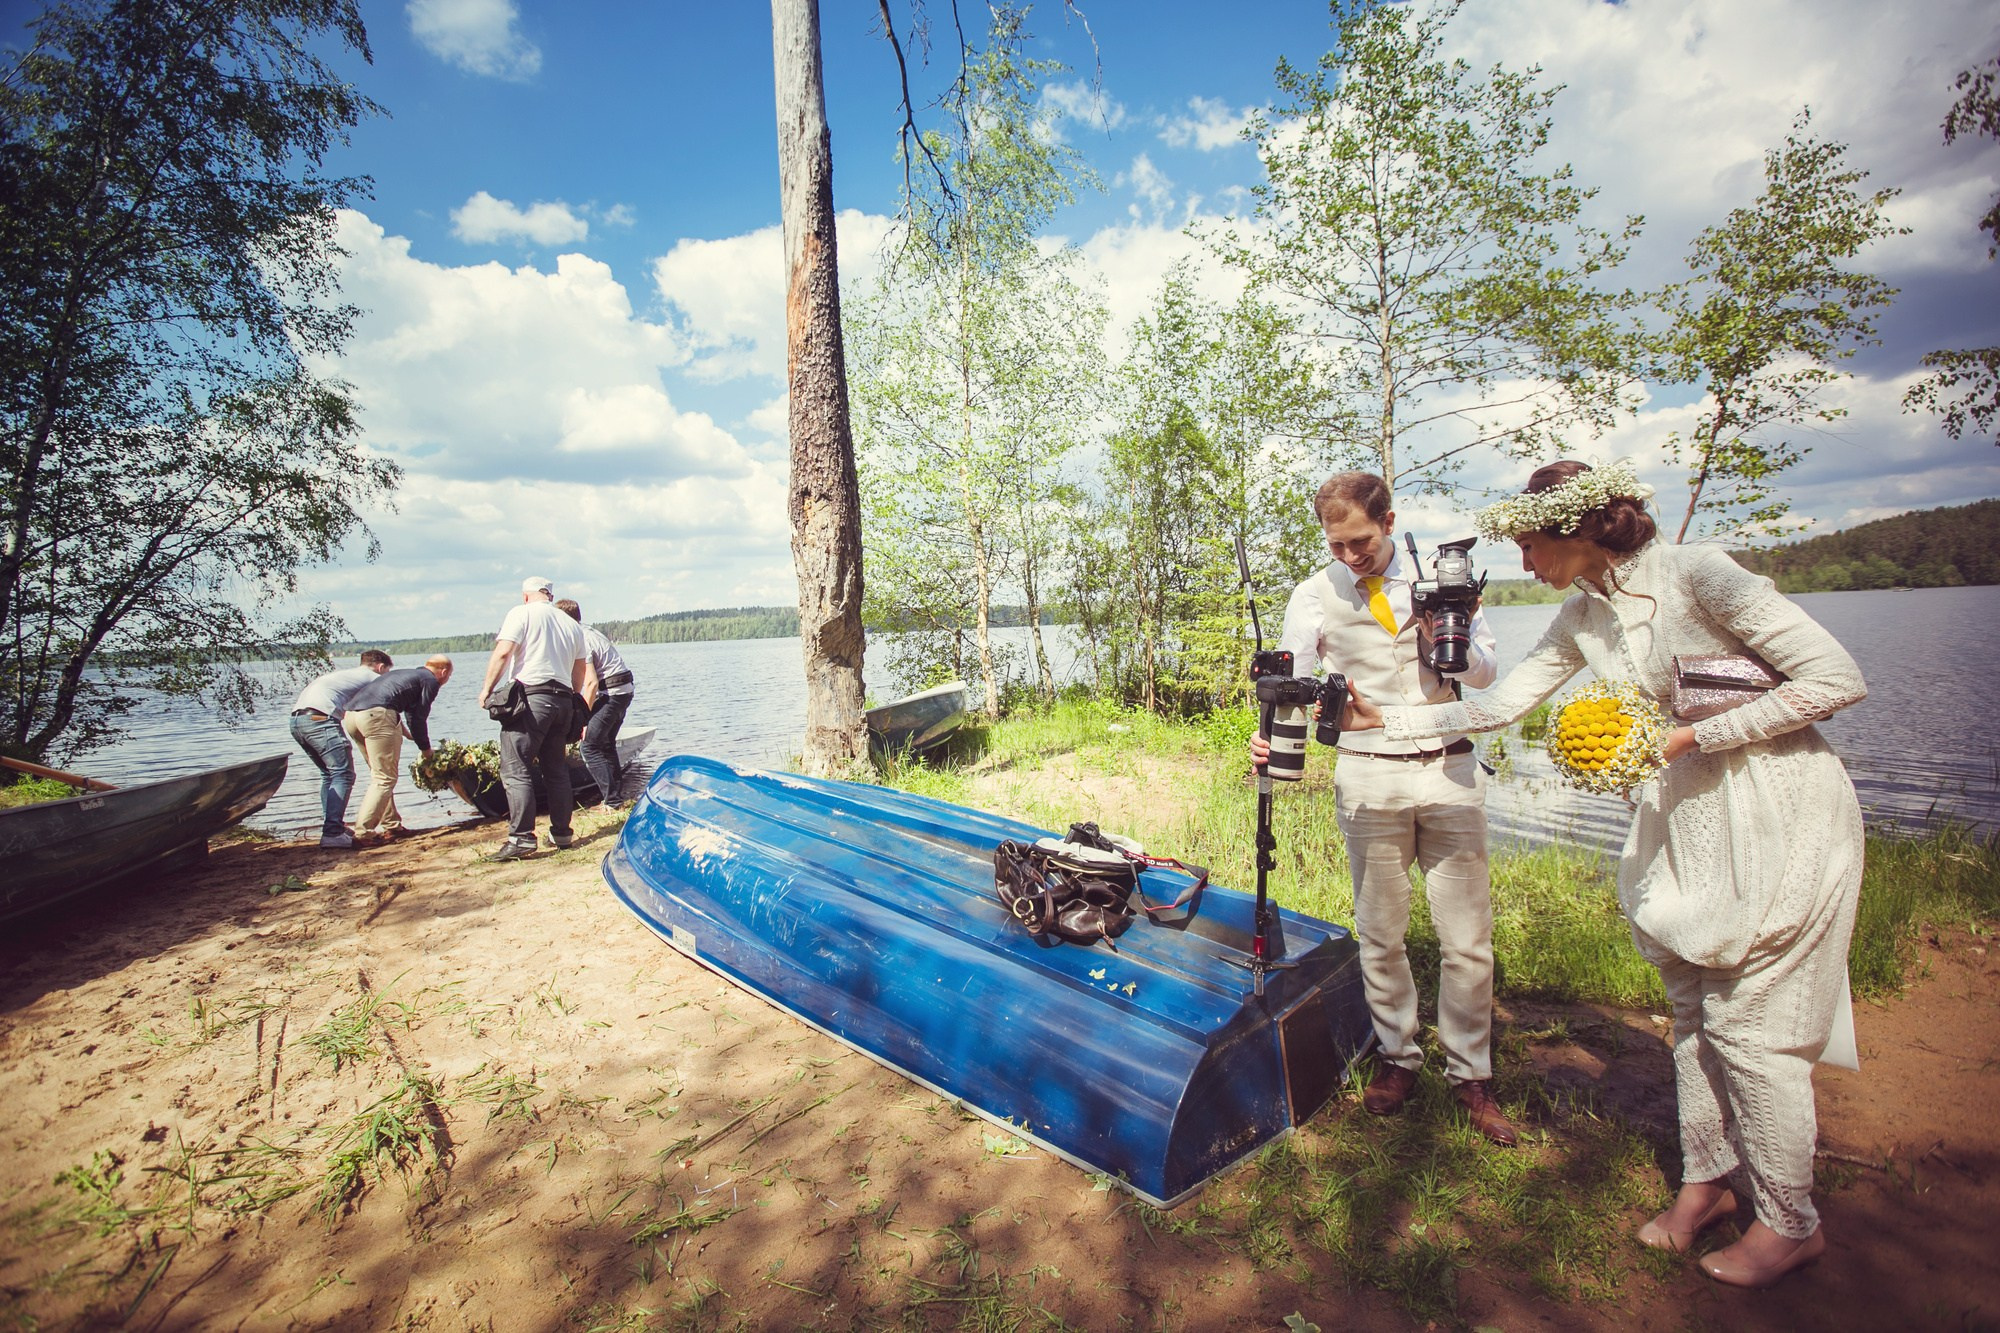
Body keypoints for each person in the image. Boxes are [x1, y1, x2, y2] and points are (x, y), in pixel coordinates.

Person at [1339, 458, 1866, 1289]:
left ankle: (1790, 1220)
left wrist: (1688, 740)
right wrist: (1386, 722)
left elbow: (1837, 678)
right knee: (1691, 1008)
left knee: (1750, 1026)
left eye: (1528, 544)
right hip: (1686, 824)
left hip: (1774, 811)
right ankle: (1705, 1187)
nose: (1521, 563)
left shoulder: (1702, 576)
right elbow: (1502, 702)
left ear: (1577, 529)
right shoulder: (1584, 614)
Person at [1249, 471, 1517, 1146]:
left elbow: (1486, 670)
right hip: (1367, 776)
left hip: (1451, 770)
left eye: (1361, 541)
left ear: (1390, 520)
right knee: (1381, 931)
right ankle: (1398, 1057)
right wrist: (1269, 736)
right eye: (1337, 545)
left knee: (1466, 940)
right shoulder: (1314, 594)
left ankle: (1470, 1073)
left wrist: (1441, 637)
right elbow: (1291, 683)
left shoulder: (1442, 578)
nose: (1350, 556)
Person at [476, 576, 586, 860]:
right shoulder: (571, 624)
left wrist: (487, 689)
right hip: (562, 701)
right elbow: (579, 669)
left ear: (526, 596)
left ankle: (521, 837)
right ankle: (562, 832)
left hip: (532, 698)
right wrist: (573, 700)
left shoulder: (521, 613)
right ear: (549, 594)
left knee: (516, 768)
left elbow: (503, 653)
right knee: (556, 770)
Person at [340, 655, 454, 842]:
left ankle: (392, 825)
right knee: (384, 778)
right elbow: (419, 718)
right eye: (449, 676)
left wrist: (409, 734)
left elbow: (407, 711)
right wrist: (426, 750)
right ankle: (363, 833)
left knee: (378, 775)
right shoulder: (431, 681)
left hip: (352, 717)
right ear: (443, 672)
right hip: (376, 716)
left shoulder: (410, 675)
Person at [289, 650, 392, 848]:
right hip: (320, 720)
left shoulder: (347, 675)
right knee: (343, 775)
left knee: (329, 775)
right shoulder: (372, 677)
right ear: (380, 667)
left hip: (297, 721)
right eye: (387, 671)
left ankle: (334, 826)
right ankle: (332, 833)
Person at [556, 598, 636, 812]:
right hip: (623, 690)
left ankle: (611, 801)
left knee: (589, 747)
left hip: (613, 692)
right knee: (606, 743)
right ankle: (616, 798)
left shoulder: (581, 639)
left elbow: (590, 683)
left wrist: (582, 717)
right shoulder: (588, 632)